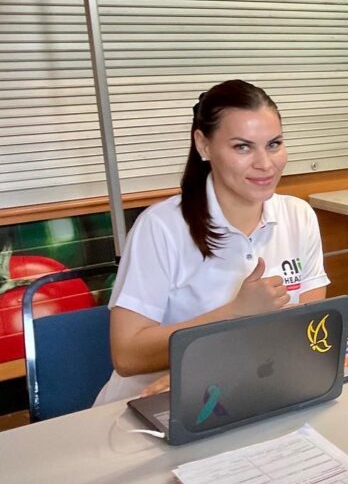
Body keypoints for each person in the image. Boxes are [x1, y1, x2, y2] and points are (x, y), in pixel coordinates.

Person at [93, 79, 329, 405]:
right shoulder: (161, 227)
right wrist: (235, 313)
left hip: (252, 390)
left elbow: (308, 332)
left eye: (274, 144)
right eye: (242, 147)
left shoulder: (298, 216)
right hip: (151, 408)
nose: (265, 163)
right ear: (204, 146)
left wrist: (216, 368)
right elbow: (127, 355)